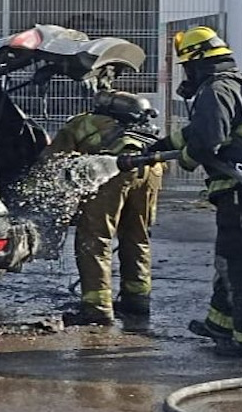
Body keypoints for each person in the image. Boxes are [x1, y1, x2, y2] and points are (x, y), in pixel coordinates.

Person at [151, 26, 242, 358]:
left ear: (198, 62)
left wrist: (184, 157)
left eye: (186, 65)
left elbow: (207, 141)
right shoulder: (233, 85)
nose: (186, 73)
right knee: (229, 257)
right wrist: (157, 148)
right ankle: (222, 324)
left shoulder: (218, 89)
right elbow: (196, 133)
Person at [45, 89, 163, 325]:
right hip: (152, 170)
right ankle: (137, 300)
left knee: (95, 239)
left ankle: (96, 307)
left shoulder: (85, 122)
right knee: (137, 236)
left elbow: (52, 159)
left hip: (113, 175)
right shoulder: (144, 128)